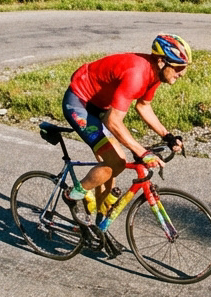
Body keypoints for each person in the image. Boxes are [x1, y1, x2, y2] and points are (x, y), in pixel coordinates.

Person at [62, 34, 190, 230]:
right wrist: (142, 152)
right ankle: (73, 195)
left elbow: (144, 106)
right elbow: (114, 121)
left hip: (100, 107)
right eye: (179, 67)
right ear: (161, 61)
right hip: (79, 102)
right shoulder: (137, 74)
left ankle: (96, 225)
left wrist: (168, 136)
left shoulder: (155, 74)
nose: (182, 73)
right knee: (116, 162)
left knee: (111, 167)